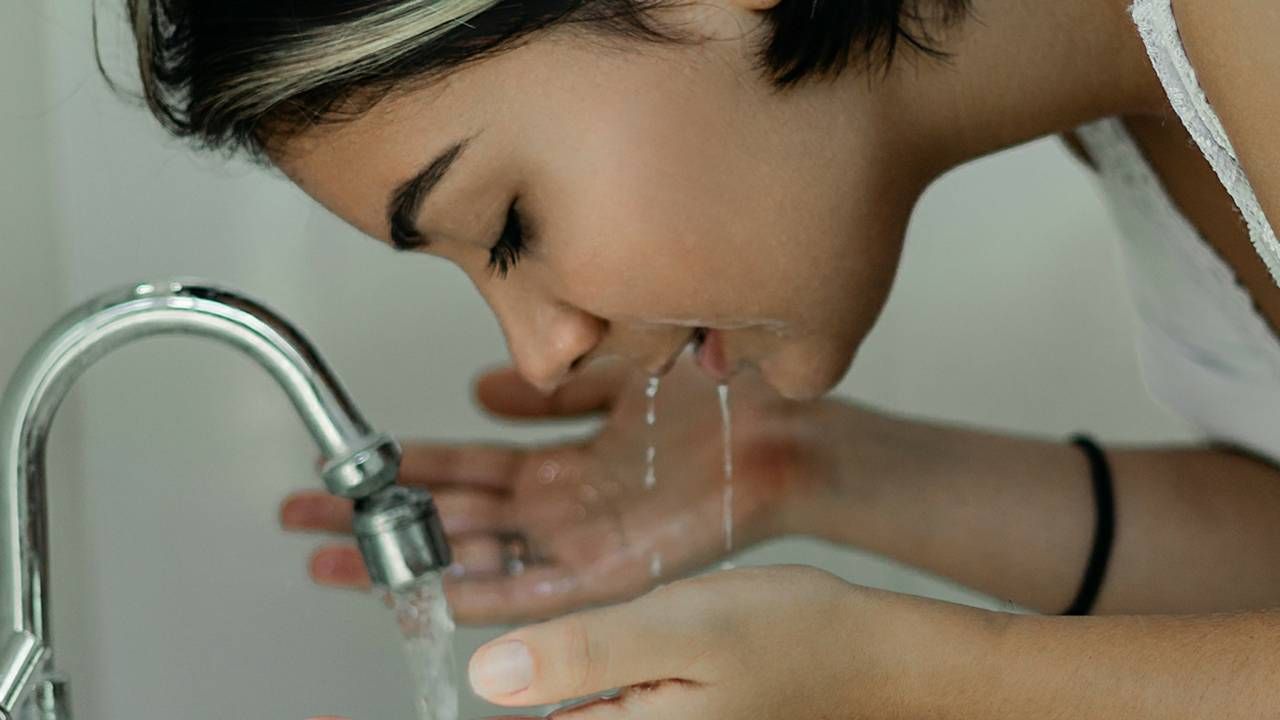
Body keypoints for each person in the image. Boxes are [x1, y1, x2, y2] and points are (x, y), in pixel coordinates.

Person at [119, 0, 1280, 716]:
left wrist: (918, 681)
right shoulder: (1122, 96)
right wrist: (806, 471)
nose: (542, 357)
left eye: (511, 224)